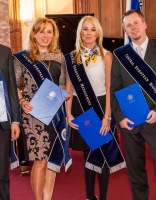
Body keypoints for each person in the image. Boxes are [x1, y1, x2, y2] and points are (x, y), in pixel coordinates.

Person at [110, 10, 156, 200]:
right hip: (129, 122)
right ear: (125, 30)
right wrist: (119, 117)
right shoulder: (119, 55)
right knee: (135, 169)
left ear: (145, 24)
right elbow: (114, 89)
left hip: (155, 120)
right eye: (128, 25)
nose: (133, 28)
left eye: (136, 23)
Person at [65, 16, 125, 200]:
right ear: (80, 32)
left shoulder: (107, 55)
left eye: (92, 29)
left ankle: (103, 196)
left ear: (98, 32)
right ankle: (90, 196)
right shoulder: (72, 57)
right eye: (85, 29)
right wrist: (68, 113)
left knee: (103, 153)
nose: (89, 33)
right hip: (79, 106)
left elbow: (109, 88)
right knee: (87, 154)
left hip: (100, 105)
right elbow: (69, 87)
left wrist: (107, 116)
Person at [13, 18, 72, 200]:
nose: (45, 36)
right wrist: (22, 101)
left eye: (49, 31)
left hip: (55, 114)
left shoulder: (59, 56)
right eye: (41, 31)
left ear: (54, 35)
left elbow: (62, 85)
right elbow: (13, 85)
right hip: (33, 114)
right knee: (40, 161)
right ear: (34, 34)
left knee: (52, 162)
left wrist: (65, 93)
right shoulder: (22, 57)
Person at [0, 44, 20, 200]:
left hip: (2, 122)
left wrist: (15, 121)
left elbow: (12, 88)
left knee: (2, 173)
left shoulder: (5, 52)